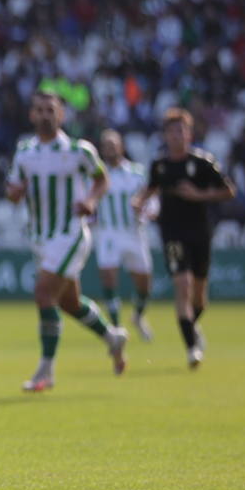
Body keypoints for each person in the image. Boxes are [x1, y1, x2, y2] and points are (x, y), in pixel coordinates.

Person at [4, 91, 127, 392]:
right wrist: (14, 194)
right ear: (32, 115)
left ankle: (46, 370)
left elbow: (101, 179)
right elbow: (12, 189)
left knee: (43, 294)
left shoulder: (78, 150)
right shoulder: (24, 152)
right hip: (40, 237)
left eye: (51, 110)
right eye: (40, 110)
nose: (45, 115)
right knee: (69, 303)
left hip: (70, 232)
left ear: (61, 116)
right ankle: (113, 337)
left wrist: (90, 201)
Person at [131, 107, 235, 368]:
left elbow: (229, 191)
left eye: (181, 130)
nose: (177, 135)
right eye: (172, 131)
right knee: (183, 285)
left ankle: (191, 326)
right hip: (172, 233)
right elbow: (151, 188)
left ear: (189, 134)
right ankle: (191, 350)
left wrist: (199, 195)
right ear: (165, 135)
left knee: (199, 298)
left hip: (200, 232)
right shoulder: (160, 165)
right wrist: (139, 201)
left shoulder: (202, 162)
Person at [93, 129, 154, 341]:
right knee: (109, 277)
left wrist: (147, 211)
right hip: (108, 232)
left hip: (134, 232)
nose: (109, 148)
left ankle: (137, 316)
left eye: (113, 144)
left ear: (121, 146)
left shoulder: (137, 172)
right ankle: (116, 327)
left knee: (144, 283)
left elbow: (152, 200)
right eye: (106, 145)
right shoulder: (98, 174)